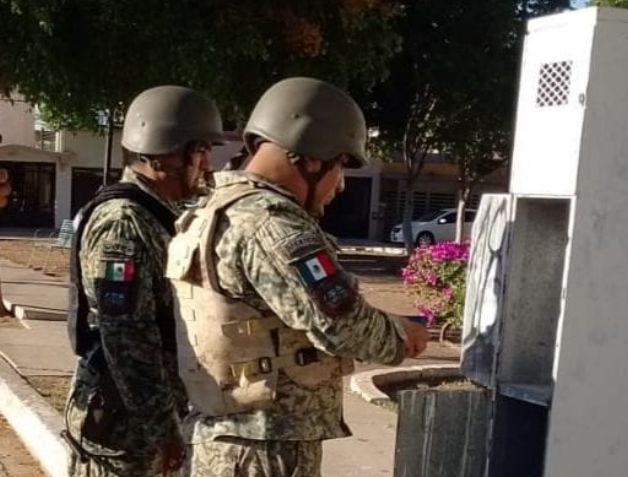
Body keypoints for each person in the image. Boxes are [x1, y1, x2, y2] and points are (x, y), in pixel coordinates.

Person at [166, 77, 430, 477]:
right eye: (339, 163)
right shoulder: (273, 225)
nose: (340, 184)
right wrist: (400, 336)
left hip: (231, 439)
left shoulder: (210, 209)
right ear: (309, 158)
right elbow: (341, 323)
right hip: (264, 447)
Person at [63, 85, 225, 476]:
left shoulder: (155, 215)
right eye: (199, 151)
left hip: (144, 419)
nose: (205, 163)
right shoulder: (122, 222)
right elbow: (127, 337)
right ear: (166, 154)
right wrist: (163, 430)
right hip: (123, 427)